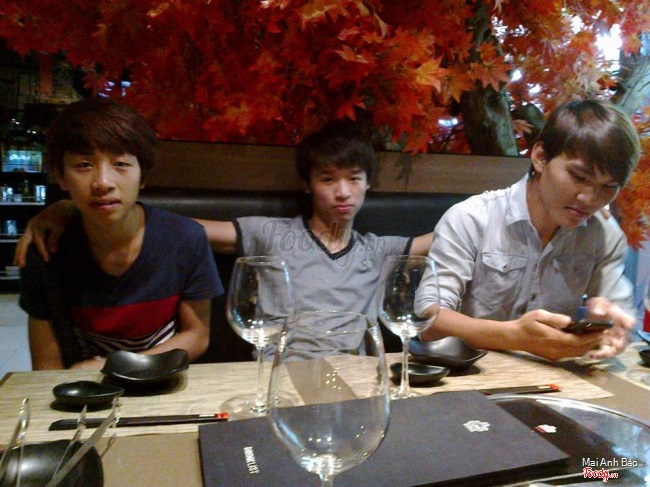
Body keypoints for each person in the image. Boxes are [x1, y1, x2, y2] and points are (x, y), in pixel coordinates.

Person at [15, 122, 432, 350]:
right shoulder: (270, 233)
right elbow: (177, 228)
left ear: (368, 185)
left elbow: (446, 235)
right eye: (328, 179)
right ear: (307, 184)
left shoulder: (381, 249)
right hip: (282, 375)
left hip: (359, 377)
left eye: (354, 179)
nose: (343, 192)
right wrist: (73, 208)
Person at [416, 99, 639, 361]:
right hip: (470, 373)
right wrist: (514, 336)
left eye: (609, 186)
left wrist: (612, 326)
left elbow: (620, 314)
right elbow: (429, 317)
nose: (590, 198)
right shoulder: (472, 218)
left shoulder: (603, 234)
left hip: (555, 376)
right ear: (540, 157)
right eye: (579, 177)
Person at [19, 98, 223, 370]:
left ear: (143, 175)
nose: (103, 182)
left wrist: (120, 367)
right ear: (61, 176)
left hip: (161, 376)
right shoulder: (47, 246)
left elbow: (197, 336)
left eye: (121, 164)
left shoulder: (186, 238)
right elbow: (46, 367)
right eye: (83, 164)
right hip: (86, 387)